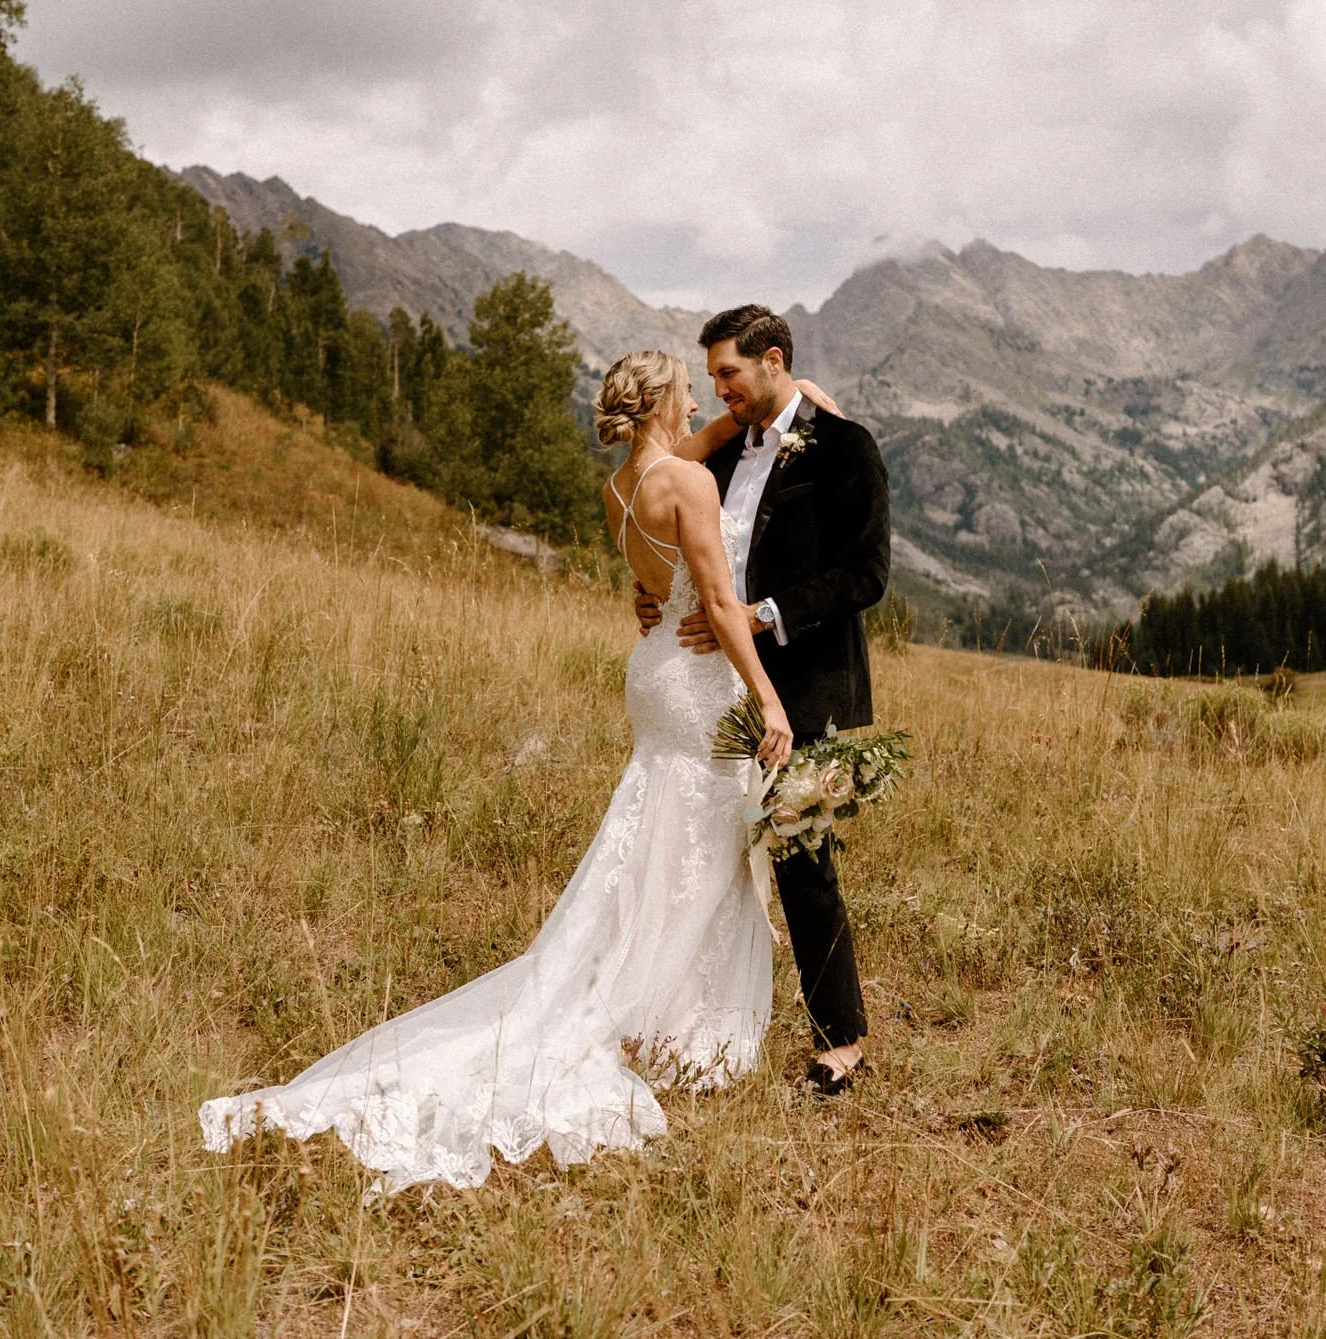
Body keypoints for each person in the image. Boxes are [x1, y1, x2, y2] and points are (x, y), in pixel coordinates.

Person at [199, 350, 795, 1191]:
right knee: (700, 836)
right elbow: (722, 603)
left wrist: (788, 401)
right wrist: (768, 697)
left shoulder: (621, 489)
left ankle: (653, 997)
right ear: (663, 399)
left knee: (658, 828)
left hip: (650, 671)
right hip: (697, 678)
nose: (701, 403)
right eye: (689, 392)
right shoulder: (690, 484)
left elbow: (675, 516)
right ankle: (673, 1017)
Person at [644, 304, 892, 1095]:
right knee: (705, 848)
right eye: (712, 377)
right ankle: (691, 1019)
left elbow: (866, 573)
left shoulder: (845, 446)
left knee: (801, 856)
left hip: (808, 683)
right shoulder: (721, 453)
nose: (720, 390)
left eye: (730, 374)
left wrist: (765, 615)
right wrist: (658, 594)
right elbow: (673, 530)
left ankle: (840, 1040)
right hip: (719, 687)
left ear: (773, 360)